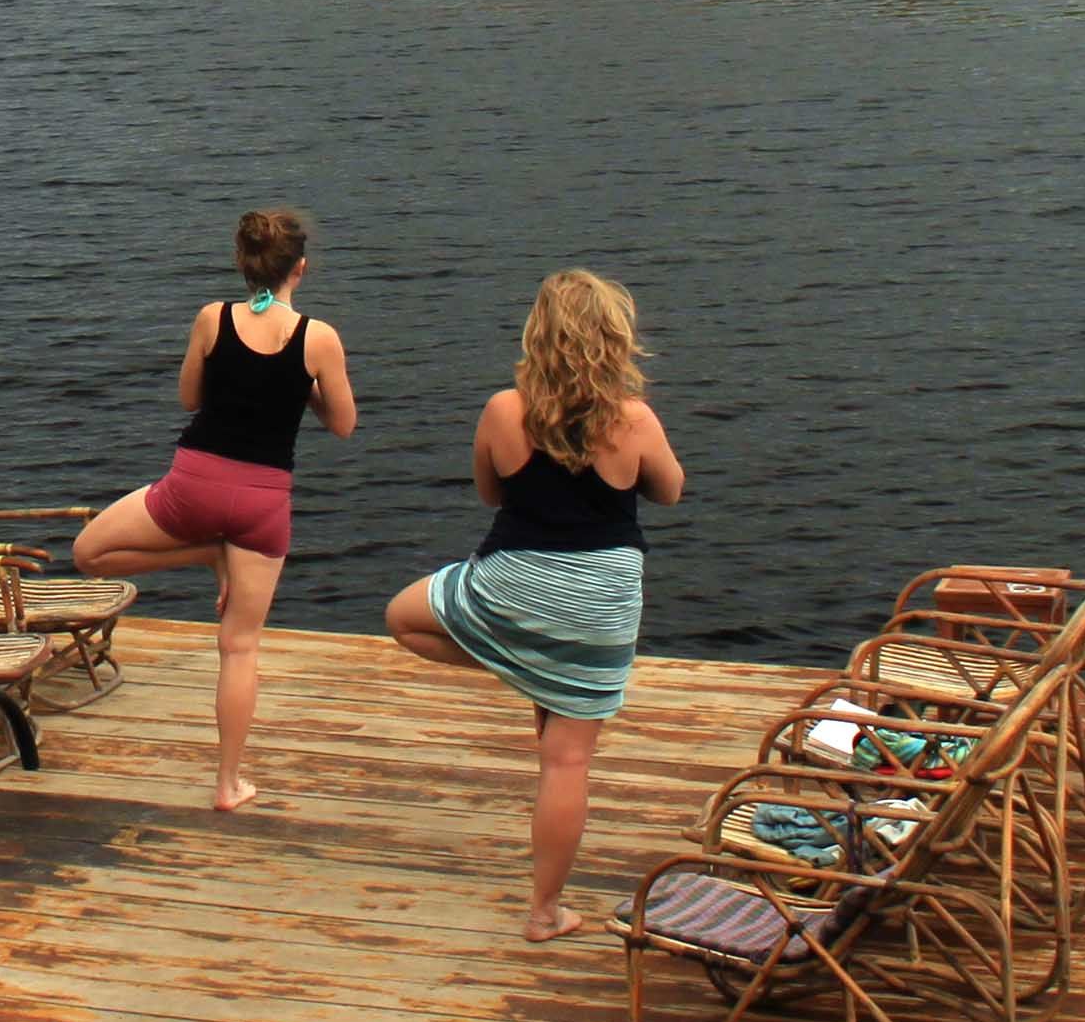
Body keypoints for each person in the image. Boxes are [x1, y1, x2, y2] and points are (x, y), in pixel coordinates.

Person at [387, 268, 683, 940]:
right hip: (601, 597)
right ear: (615, 339)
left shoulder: (502, 409)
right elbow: (669, 491)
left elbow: (490, 494)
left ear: (538, 335)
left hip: (514, 581)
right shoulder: (633, 418)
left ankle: (521, 661)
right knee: (566, 760)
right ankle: (544, 912)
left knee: (402, 614)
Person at [70, 207, 358, 812]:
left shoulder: (212, 319)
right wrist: (299, 388)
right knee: (240, 647)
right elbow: (343, 425)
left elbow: (188, 396)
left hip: (192, 487)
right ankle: (228, 784)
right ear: (299, 269)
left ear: (242, 264)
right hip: (261, 505)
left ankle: (203, 551)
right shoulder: (319, 338)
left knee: (88, 553)